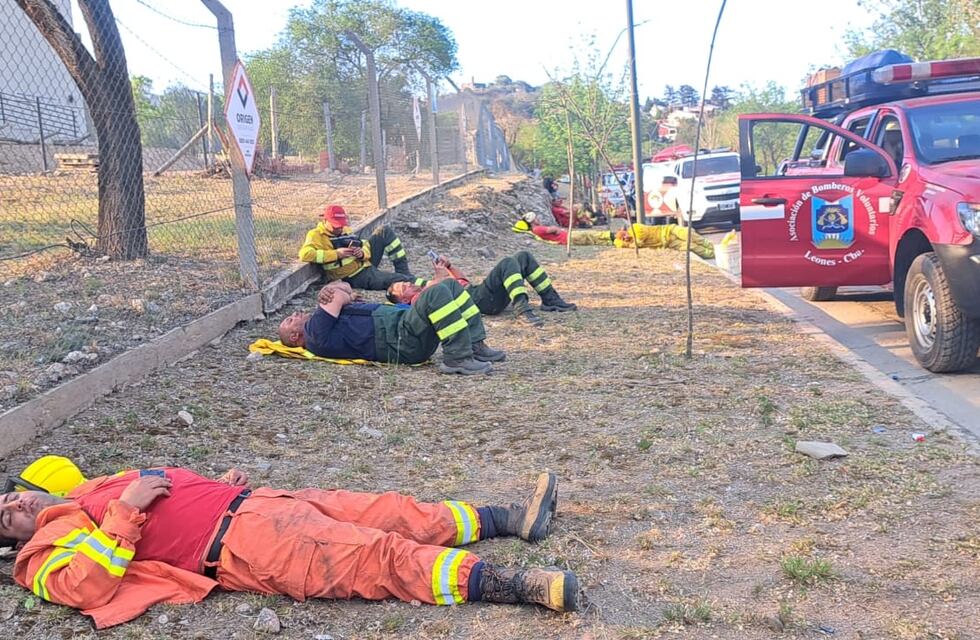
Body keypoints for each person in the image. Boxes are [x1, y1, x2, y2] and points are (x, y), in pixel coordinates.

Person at [0, 458, 579, 629]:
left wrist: (212, 486)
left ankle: (512, 518)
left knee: (390, 511)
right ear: (9, 545)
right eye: (5, 520)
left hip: (260, 502)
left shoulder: (88, 491)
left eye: (9, 499)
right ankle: (513, 585)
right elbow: (85, 587)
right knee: (377, 559)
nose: (16, 506)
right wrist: (126, 516)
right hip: (244, 544)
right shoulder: (41, 554)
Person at [278, 280, 504, 375]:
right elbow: (339, 294)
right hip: (402, 340)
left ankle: (474, 345)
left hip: (403, 329)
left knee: (450, 286)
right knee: (436, 292)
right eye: (289, 320)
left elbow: (344, 287)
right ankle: (457, 358)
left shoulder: (324, 321)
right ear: (296, 336)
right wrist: (337, 293)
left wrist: (334, 289)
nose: (295, 313)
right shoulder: (315, 332)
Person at [386, 251, 576, 328]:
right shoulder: (417, 301)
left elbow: (463, 281)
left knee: (523, 257)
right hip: (477, 302)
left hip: (475, 292)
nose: (409, 284)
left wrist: (449, 266)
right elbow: (436, 297)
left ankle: (550, 299)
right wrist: (438, 276)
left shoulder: (429, 284)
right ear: (403, 300)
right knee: (508, 263)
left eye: (407, 282)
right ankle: (521, 308)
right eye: (404, 288)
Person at [299, 204, 426, 291]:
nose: (339, 228)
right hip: (353, 276)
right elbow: (305, 254)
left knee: (384, 231)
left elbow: (363, 243)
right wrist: (337, 254)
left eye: (341, 225)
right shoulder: (315, 235)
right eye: (335, 225)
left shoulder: (346, 229)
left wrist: (362, 253)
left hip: (364, 262)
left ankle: (403, 270)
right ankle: (427, 286)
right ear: (325, 220)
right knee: (399, 280)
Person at [614, 223, 715, 259]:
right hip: (669, 243)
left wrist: (629, 242)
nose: (625, 237)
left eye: (624, 235)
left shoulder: (635, 228)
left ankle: (715, 248)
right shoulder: (631, 243)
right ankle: (714, 255)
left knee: (692, 236)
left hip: (670, 230)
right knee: (692, 247)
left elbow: (640, 241)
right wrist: (624, 243)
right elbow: (617, 243)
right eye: (623, 239)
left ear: (625, 231)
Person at [512, 213, 615, 246]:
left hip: (566, 237)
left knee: (590, 238)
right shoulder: (538, 229)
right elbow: (554, 230)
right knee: (589, 235)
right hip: (566, 238)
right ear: (533, 221)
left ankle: (610, 239)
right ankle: (609, 236)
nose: (538, 219)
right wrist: (557, 229)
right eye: (536, 218)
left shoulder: (537, 229)